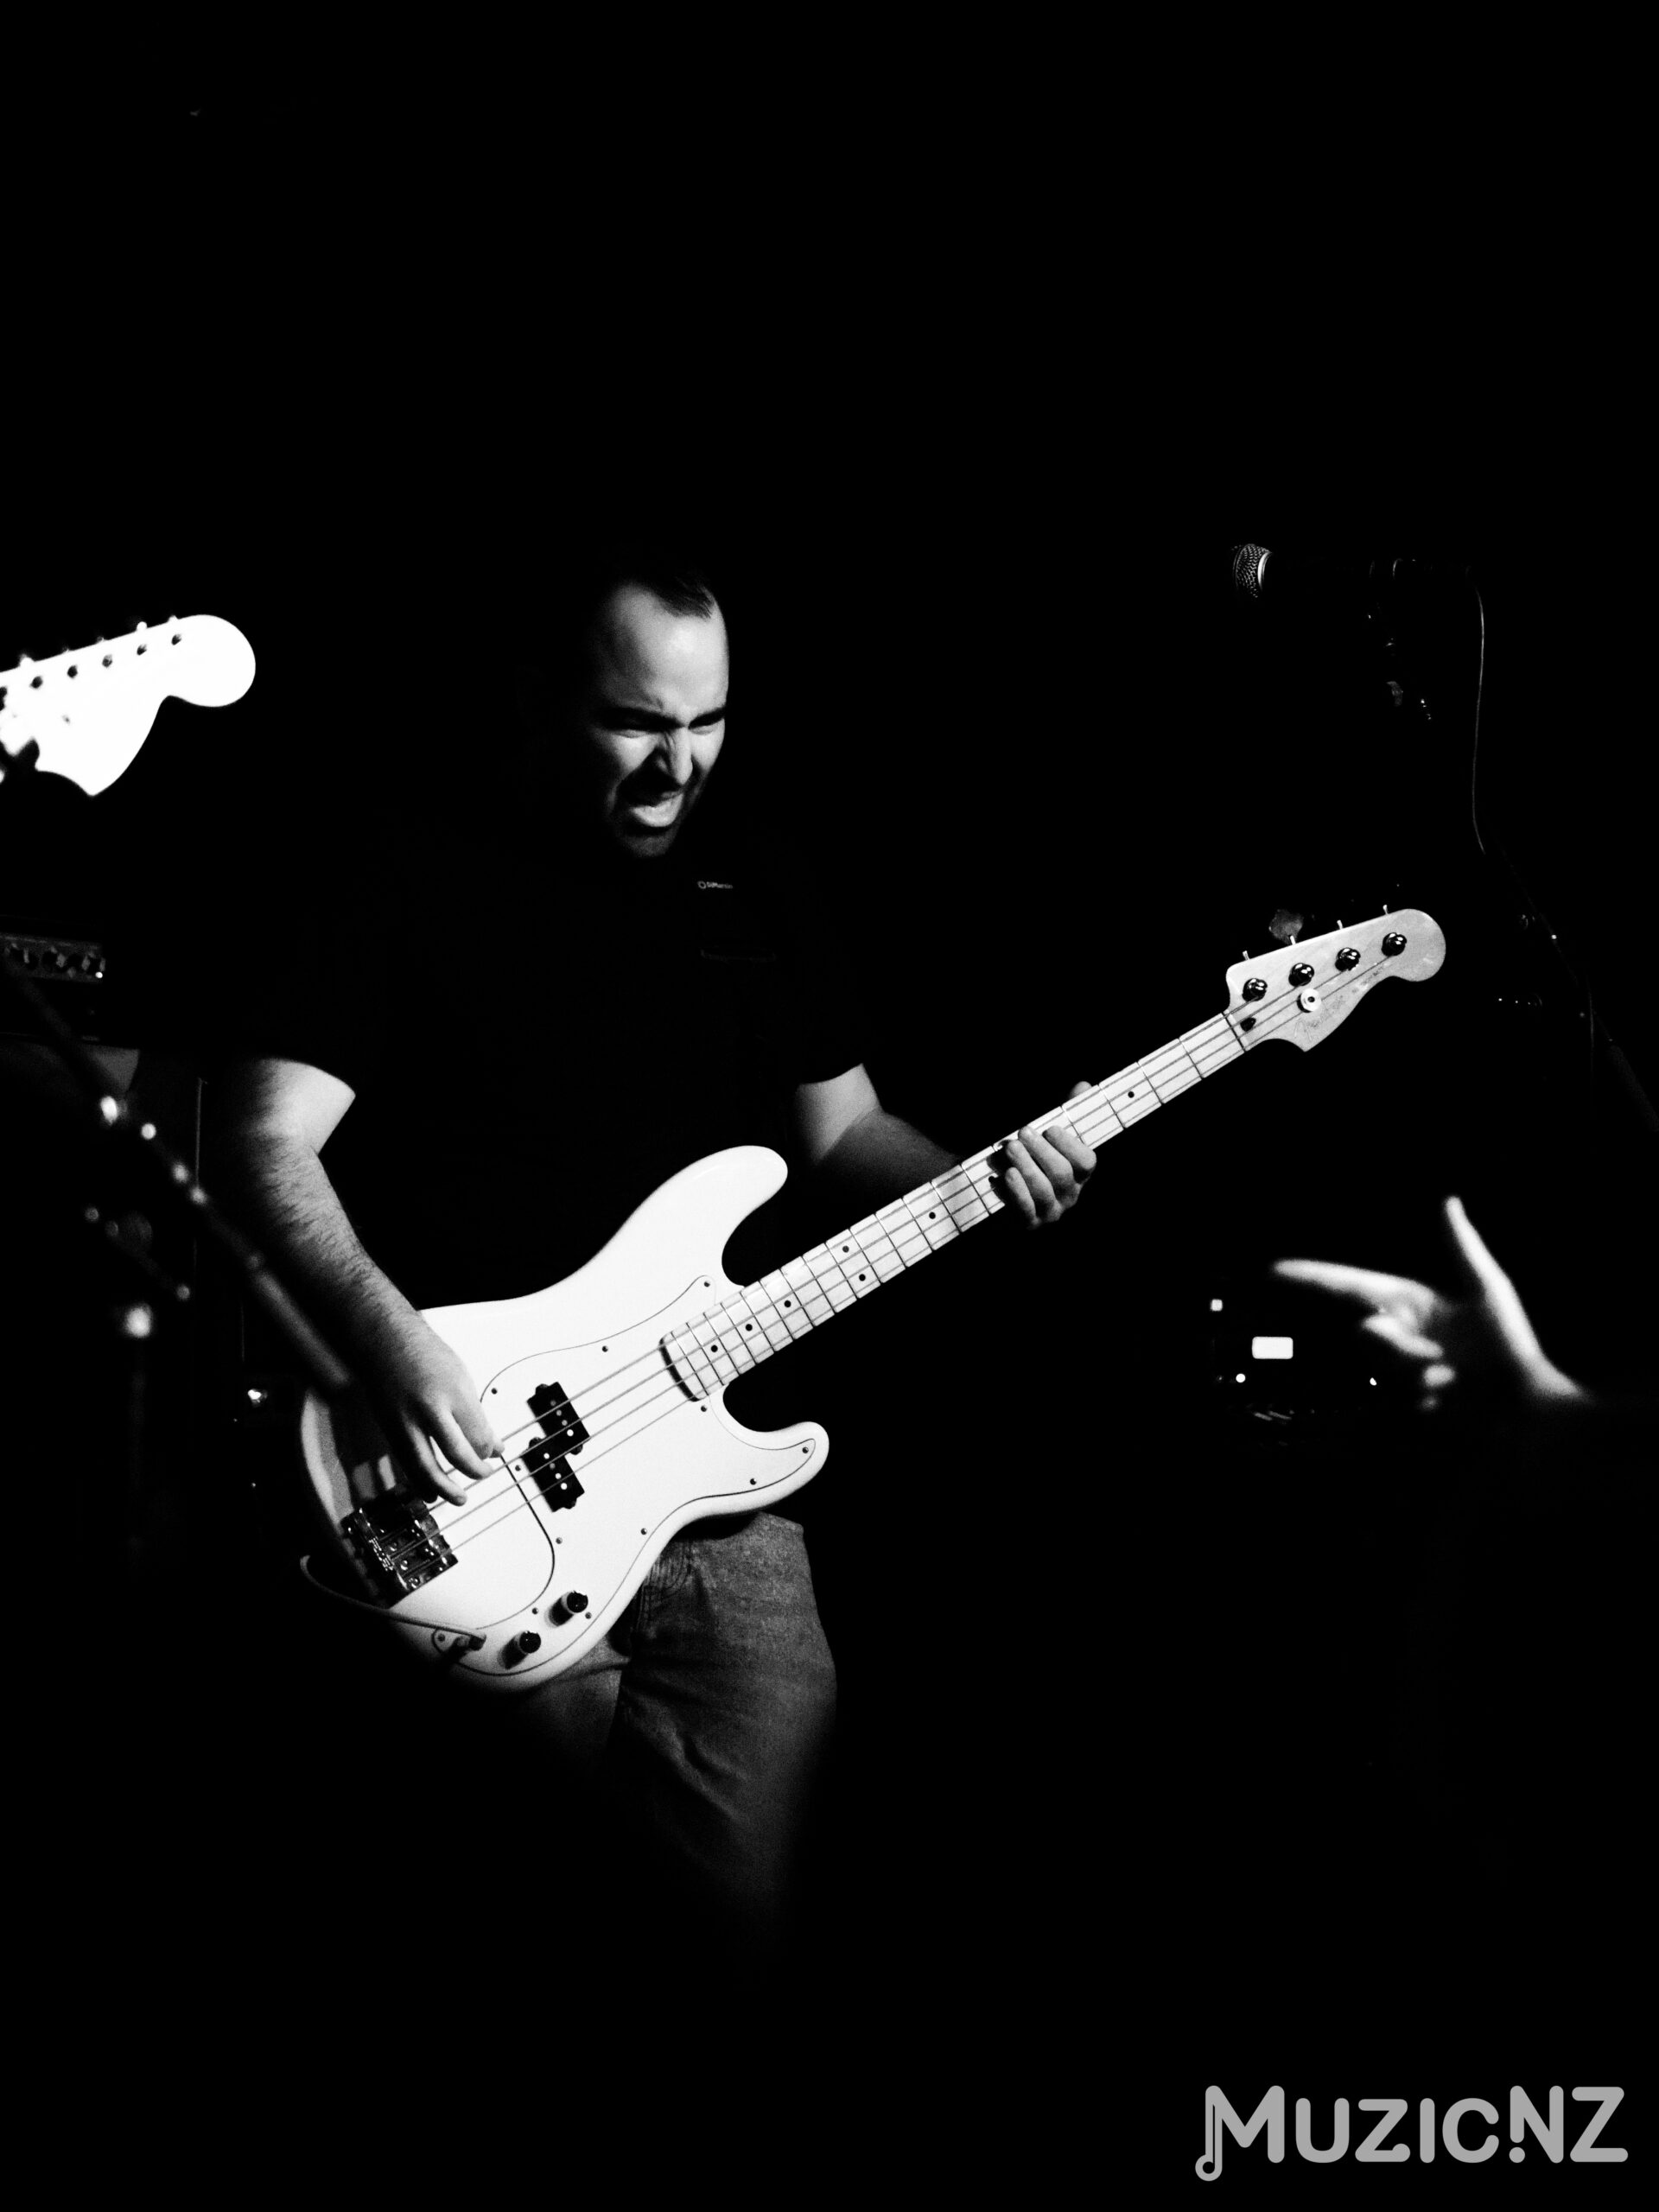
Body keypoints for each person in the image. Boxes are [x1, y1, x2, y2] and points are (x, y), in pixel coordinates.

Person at [202, 548, 1097, 1986]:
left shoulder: (755, 882)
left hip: (720, 1497)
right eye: (635, 722)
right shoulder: (401, 863)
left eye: (709, 722)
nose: (678, 765)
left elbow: (843, 1132)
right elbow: (259, 1141)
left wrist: (990, 1178)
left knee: (755, 1930)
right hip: (464, 1473)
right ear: (538, 700)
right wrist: (391, 1342)